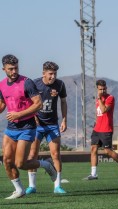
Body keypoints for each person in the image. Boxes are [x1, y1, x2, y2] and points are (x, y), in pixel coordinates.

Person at [0, 55, 57, 199]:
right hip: (10, 128)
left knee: (21, 163)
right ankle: (19, 190)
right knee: (7, 161)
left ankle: (46, 164)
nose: (14, 71)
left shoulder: (27, 82)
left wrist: (18, 115)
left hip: (27, 127)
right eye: (10, 69)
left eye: (16, 68)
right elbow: (2, 104)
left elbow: (38, 104)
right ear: (4, 69)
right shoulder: (1, 85)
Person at [25, 61, 68, 195]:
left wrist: (64, 119)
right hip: (36, 125)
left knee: (55, 154)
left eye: (55, 73)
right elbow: (27, 102)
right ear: (43, 73)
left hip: (52, 125)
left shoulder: (60, 84)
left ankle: (57, 186)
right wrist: (33, 116)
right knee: (32, 155)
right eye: (50, 74)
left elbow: (63, 101)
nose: (53, 76)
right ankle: (32, 186)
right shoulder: (34, 84)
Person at [83, 79, 118, 180]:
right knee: (93, 149)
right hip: (97, 129)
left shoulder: (110, 98)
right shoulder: (98, 100)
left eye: (104, 89)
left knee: (108, 151)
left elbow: (104, 110)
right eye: (100, 89)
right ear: (97, 89)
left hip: (106, 129)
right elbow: (98, 113)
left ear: (106, 88)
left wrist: (100, 100)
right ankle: (93, 174)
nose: (103, 91)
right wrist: (95, 123)